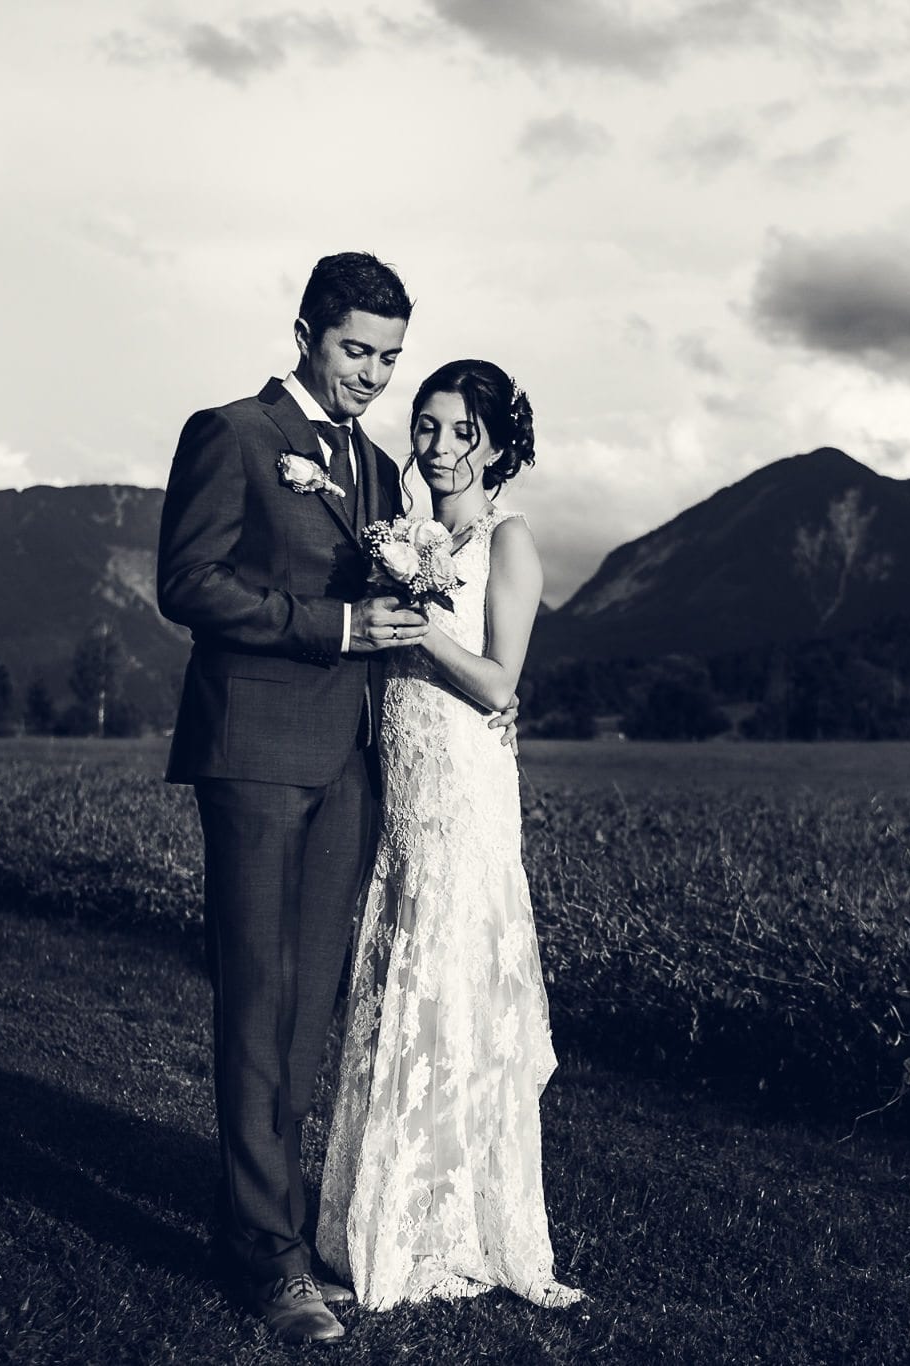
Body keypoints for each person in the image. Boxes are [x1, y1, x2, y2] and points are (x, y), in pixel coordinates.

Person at [155, 253, 513, 1345]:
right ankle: (269, 1260)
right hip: (257, 753)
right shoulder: (233, 434)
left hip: (353, 766)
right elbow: (188, 582)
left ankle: (276, 1223)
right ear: (306, 331)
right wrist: (339, 628)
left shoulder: (376, 468)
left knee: (310, 1012)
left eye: (390, 359)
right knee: (256, 1001)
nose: (373, 375)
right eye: (357, 350)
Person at [319, 359, 584, 1311]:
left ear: (496, 445)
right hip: (402, 792)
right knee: (403, 987)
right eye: (424, 426)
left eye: (458, 431)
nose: (434, 446)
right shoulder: (409, 533)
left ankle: (466, 1225)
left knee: (458, 988)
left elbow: (500, 681)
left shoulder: (509, 542)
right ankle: (389, 1214)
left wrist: (415, 621)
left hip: (464, 796)